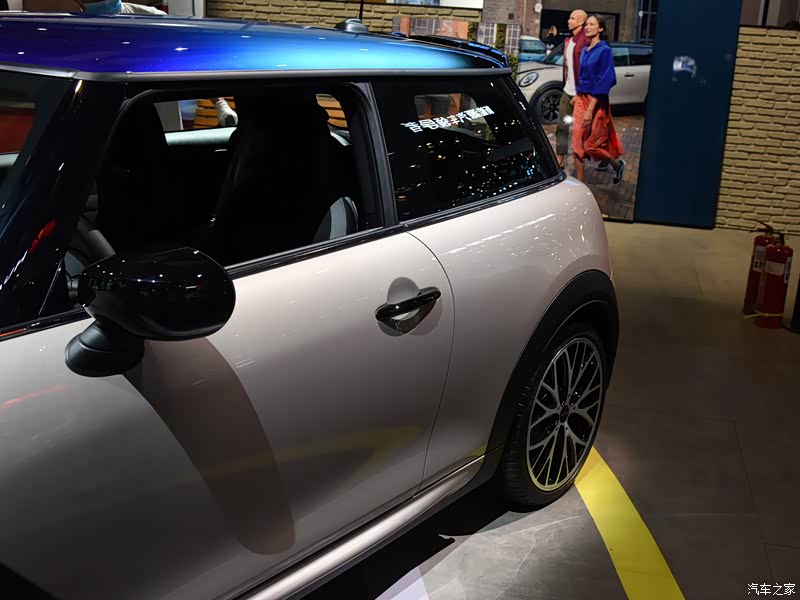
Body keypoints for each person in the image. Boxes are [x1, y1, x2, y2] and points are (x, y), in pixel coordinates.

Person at [571, 14, 625, 185]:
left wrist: (590, 109)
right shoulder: (585, 50)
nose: (587, 27)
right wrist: (577, 95)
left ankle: (617, 165)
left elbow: (606, 79)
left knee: (591, 146)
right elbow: (583, 76)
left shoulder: (604, 50)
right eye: (586, 24)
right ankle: (581, 185)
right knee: (576, 144)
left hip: (596, 102)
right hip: (581, 99)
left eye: (592, 24)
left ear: (600, 28)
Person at [554, 9, 588, 169]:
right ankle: (560, 159)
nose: (569, 21)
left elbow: (586, 70)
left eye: (572, 18)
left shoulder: (585, 41)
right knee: (562, 126)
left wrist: (580, 92)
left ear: (581, 22)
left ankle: (606, 158)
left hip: (581, 94)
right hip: (567, 92)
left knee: (585, 131)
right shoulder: (568, 41)